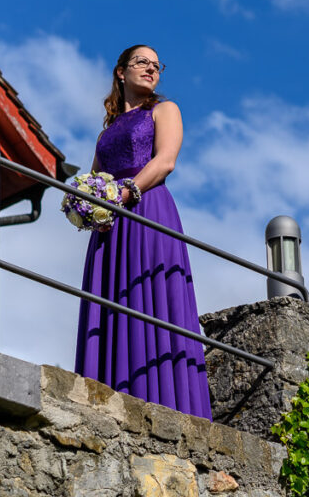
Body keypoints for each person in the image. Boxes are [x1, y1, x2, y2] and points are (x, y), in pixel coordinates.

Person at [74, 44, 211, 419]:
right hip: (111, 226)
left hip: (148, 208)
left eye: (156, 65)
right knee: (113, 299)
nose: (151, 69)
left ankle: (164, 398)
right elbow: (95, 177)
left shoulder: (165, 110)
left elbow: (165, 161)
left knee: (150, 296)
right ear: (121, 72)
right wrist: (86, 202)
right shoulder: (107, 131)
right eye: (142, 63)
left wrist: (125, 190)